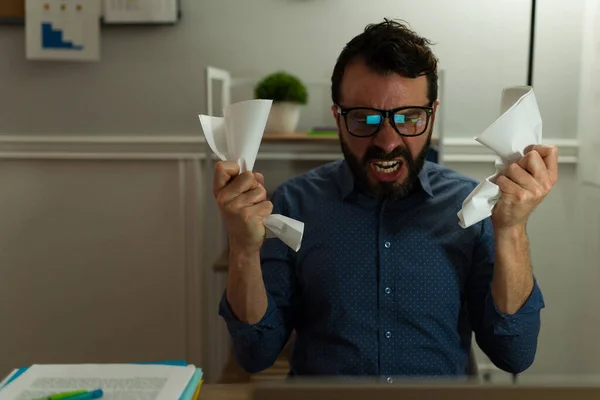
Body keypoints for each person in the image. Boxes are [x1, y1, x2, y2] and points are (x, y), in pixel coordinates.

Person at [213, 19, 557, 379]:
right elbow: (255, 353)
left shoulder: (473, 207)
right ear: (338, 119)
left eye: (409, 118)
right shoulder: (295, 203)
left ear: (432, 115)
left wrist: (512, 229)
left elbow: (514, 352)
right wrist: (242, 247)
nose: (388, 141)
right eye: (364, 118)